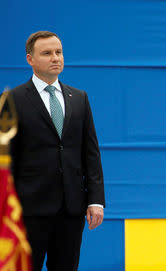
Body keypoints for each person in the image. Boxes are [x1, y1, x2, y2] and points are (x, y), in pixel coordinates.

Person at [10, 31, 105, 271]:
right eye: (47, 53)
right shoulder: (12, 100)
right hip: (27, 211)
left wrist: (95, 200)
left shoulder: (79, 98)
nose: (55, 58)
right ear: (30, 59)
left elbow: (90, 153)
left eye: (58, 52)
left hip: (71, 210)